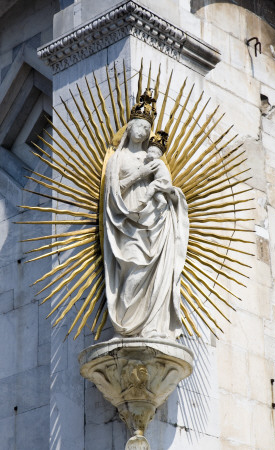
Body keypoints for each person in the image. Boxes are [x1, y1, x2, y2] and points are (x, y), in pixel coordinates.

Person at [103, 90, 189, 340]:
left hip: (154, 221)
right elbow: (114, 190)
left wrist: (168, 193)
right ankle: (127, 323)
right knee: (133, 267)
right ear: (129, 128)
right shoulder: (118, 158)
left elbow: (165, 183)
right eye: (138, 125)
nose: (142, 130)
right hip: (126, 221)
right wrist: (139, 175)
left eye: (146, 127)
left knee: (152, 271)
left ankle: (151, 324)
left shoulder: (154, 158)